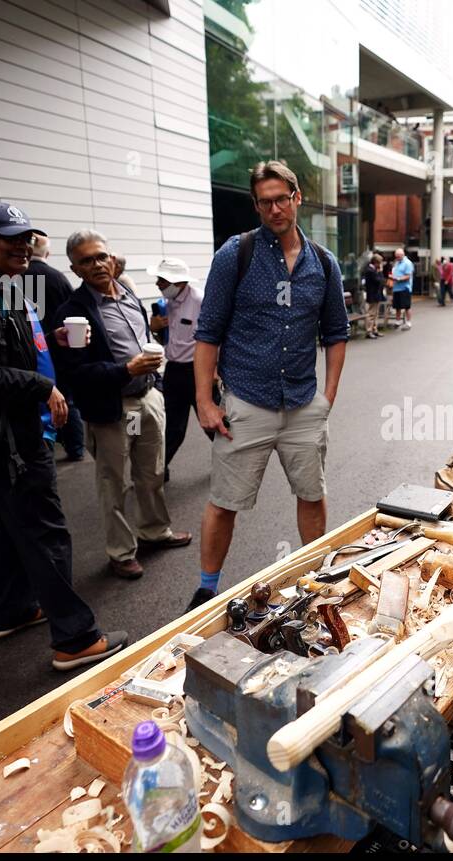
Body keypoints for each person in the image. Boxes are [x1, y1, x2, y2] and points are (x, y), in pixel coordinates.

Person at [0, 201, 126, 671]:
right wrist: (42, 385)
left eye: (25, 237)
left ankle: (11, 610)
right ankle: (75, 638)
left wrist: (48, 348)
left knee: (9, 527)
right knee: (45, 531)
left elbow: (5, 353)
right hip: (12, 441)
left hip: (14, 437)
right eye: (8, 238)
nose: (21, 246)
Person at [188, 160, 349, 611]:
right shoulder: (234, 255)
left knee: (312, 494)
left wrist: (327, 398)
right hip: (247, 402)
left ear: (297, 198)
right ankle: (206, 587)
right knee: (224, 501)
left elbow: (337, 334)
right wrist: (204, 400)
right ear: (256, 206)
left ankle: (315, 579)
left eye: (282, 198)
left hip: (302, 403)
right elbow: (207, 333)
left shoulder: (323, 263)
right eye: (265, 202)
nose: (275, 208)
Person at [50, 231, 191, 580]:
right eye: (86, 261)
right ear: (75, 269)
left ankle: (155, 532)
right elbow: (76, 372)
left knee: (152, 473)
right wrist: (125, 370)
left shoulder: (128, 294)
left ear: (112, 259)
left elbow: (142, 340)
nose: (97, 264)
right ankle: (120, 552)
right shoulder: (73, 313)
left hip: (148, 398)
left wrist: (153, 381)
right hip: (111, 409)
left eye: (101, 256)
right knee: (113, 484)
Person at [145, 257, 215, 475]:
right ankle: (158, 471)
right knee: (172, 427)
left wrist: (216, 370)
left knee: (212, 424)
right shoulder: (164, 304)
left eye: (162, 281)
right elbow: (164, 339)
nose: (158, 284)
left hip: (198, 371)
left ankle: (232, 463)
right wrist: (154, 327)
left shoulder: (201, 300)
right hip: (173, 371)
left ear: (179, 282)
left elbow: (217, 336)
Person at [27, 234, 83, 462]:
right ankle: (75, 447)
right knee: (66, 398)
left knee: (36, 399)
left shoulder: (11, 278)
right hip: (57, 348)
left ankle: (45, 441)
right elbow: (73, 311)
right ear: (47, 254)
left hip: (29, 351)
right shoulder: (56, 278)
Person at [390, 247, 414, 329]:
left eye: (398, 256)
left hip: (404, 288)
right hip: (396, 287)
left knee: (407, 306)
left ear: (402, 255)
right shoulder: (397, 263)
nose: (397, 258)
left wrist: (398, 279)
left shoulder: (407, 263)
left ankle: (408, 322)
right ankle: (398, 321)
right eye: (396, 256)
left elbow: (408, 276)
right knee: (397, 306)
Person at [362, 252, 384, 338]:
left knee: (376, 313)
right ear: (375, 262)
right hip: (372, 295)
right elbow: (379, 281)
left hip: (376, 294)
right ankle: (369, 331)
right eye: (379, 263)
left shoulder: (373, 270)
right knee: (371, 314)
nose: (380, 265)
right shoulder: (370, 271)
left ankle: (375, 329)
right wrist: (380, 272)